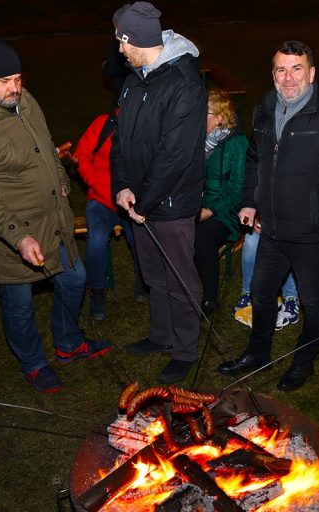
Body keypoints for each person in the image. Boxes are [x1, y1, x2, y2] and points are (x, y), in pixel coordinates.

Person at [217, 40, 319, 391]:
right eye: (281, 69)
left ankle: (303, 361)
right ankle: (258, 353)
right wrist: (249, 201)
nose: (288, 78)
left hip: (312, 232)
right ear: (273, 73)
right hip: (271, 228)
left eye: (296, 69)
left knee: (313, 303)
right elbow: (254, 160)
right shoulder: (263, 110)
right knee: (261, 294)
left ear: (311, 74)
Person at [0, 41, 111, 393]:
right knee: (19, 304)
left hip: (54, 223)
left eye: (18, 78)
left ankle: (69, 344)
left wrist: (62, 179)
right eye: (5, 81)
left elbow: (45, 146)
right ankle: (33, 364)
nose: (15, 88)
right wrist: (19, 237)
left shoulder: (25, 101)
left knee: (73, 280)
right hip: (10, 236)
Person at [110, 2, 207, 384]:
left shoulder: (184, 83)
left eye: (122, 41)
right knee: (154, 274)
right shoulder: (137, 79)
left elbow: (175, 156)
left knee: (180, 279)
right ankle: (161, 336)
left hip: (169, 203)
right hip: (140, 201)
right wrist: (122, 186)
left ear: (136, 38)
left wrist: (144, 202)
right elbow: (120, 138)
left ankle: (184, 350)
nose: (119, 50)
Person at [73, 109, 148, 321]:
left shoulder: (146, 123)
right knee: (96, 239)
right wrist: (95, 182)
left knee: (140, 239)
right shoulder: (104, 123)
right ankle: (97, 289)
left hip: (134, 202)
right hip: (101, 199)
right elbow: (81, 155)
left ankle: (143, 278)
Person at [194, 89, 246, 317]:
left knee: (201, 235)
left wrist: (211, 210)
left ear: (221, 118)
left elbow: (237, 188)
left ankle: (209, 298)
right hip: (195, 206)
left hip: (227, 213)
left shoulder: (237, 144)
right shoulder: (196, 141)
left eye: (204, 113)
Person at [233, 230, 299, 329]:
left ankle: (291, 297)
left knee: (286, 245)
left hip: (289, 227)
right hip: (264, 224)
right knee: (250, 242)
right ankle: (247, 292)